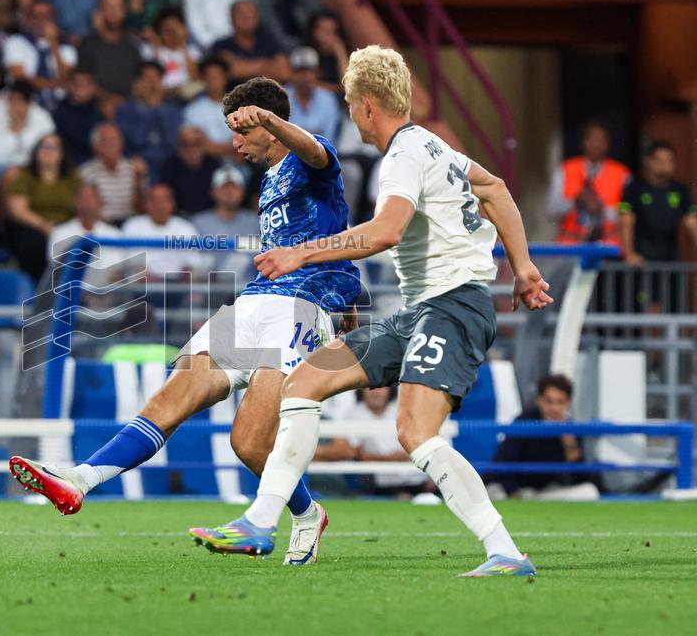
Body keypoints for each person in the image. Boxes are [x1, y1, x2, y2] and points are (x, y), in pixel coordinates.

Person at [189, 46, 553, 576]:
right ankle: (259, 522)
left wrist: (301, 253)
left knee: (415, 432)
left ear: (365, 105)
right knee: (305, 382)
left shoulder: (403, 155)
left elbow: (386, 232)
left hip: (453, 307)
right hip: (421, 311)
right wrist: (522, 267)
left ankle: (505, 552)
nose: (349, 115)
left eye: (348, 103)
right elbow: (494, 189)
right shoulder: (434, 145)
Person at [8, 76, 361, 568]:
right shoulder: (268, 179)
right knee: (171, 396)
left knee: (248, 441)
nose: (234, 143)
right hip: (254, 301)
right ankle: (81, 479)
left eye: (241, 131)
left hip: (302, 307)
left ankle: (305, 515)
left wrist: (270, 119)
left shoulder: (310, 158)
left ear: (266, 123)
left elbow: (319, 155)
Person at [485, 374, 590, 496]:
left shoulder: (571, 430)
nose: (554, 408)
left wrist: (570, 445)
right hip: (516, 490)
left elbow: (581, 479)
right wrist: (514, 492)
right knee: (495, 492)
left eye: (560, 402)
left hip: (545, 493)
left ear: (568, 403)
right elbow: (502, 465)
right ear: (539, 401)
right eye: (549, 401)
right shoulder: (525, 423)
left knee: (589, 491)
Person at [314, 386, 428, 496]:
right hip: (381, 484)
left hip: (417, 479)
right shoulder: (353, 416)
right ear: (361, 390)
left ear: (390, 389)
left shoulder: (403, 411)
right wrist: (391, 459)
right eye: (370, 387)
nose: (376, 392)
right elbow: (355, 453)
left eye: (382, 387)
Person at [1, 134, 81, 281]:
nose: (48, 151)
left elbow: (82, 203)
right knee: (34, 242)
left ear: (62, 154)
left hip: (66, 227)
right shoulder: (26, 175)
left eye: (53, 147)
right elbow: (17, 210)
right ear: (36, 152)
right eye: (44, 147)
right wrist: (43, 225)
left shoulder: (72, 177)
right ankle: (38, 286)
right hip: (33, 227)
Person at [549, 120, 630, 244]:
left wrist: (603, 210)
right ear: (584, 142)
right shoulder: (565, 170)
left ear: (608, 143)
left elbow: (627, 209)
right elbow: (551, 208)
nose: (596, 145)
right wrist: (575, 202)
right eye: (592, 140)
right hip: (570, 246)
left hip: (608, 247)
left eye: (601, 140)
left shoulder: (622, 174)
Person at [619, 141, 697, 266]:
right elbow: (626, 221)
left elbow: (692, 223)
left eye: (669, 161)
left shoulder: (681, 190)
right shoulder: (634, 189)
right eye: (660, 160)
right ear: (648, 161)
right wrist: (629, 254)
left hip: (671, 260)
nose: (665, 165)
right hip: (642, 262)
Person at [2, 0, 77, 111]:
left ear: (53, 19)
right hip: (24, 103)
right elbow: (21, 79)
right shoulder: (15, 42)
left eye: (46, 16)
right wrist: (57, 84)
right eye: (36, 16)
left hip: (60, 105)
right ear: (28, 18)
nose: (41, 20)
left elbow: (66, 77)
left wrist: (53, 44)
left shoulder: (66, 47)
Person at [120, 184, 208, 279]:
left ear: (173, 204)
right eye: (154, 200)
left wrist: (185, 276)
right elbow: (127, 260)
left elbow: (193, 261)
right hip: (142, 283)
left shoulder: (185, 227)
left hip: (178, 283)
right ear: (146, 204)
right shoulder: (133, 225)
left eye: (164, 200)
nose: (159, 205)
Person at [114, 62, 184, 176]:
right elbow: (136, 140)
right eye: (147, 79)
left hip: (168, 164)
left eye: (157, 79)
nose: (152, 84)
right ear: (136, 84)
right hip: (137, 164)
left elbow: (172, 141)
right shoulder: (125, 110)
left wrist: (158, 109)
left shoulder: (173, 110)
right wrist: (149, 110)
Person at [191, 164, 259, 278]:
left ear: (242, 192)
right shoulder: (198, 222)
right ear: (213, 192)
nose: (229, 192)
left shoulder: (255, 221)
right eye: (223, 188)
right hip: (210, 285)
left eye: (234, 188)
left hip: (249, 285)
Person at [76, 0, 143, 104]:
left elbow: (139, 81)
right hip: (95, 105)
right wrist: (110, 99)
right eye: (109, 7)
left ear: (124, 12)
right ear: (100, 11)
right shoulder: (87, 44)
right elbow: (82, 81)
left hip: (129, 105)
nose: (113, 12)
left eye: (118, 7)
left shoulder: (133, 44)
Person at [0, 80, 56, 174]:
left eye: (22, 101)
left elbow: (48, 150)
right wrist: (14, 128)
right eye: (13, 100)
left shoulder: (43, 117)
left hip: (33, 167)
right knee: (12, 173)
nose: (17, 106)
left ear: (30, 103)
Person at [78, 122, 147, 224]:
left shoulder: (134, 169)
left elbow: (142, 210)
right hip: (102, 225)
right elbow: (85, 209)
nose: (113, 144)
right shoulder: (86, 173)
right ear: (95, 146)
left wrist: (138, 181)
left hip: (130, 224)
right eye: (107, 141)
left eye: (116, 140)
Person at [210, 0, 290, 85]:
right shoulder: (221, 46)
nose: (247, 18)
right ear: (231, 18)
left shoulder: (270, 43)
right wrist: (268, 65)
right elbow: (231, 71)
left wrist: (243, 66)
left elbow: (284, 74)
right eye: (242, 15)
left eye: (252, 14)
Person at [157, 125, 221, 216]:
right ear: (178, 146)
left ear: (204, 145)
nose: (191, 149)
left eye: (196, 143)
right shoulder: (168, 167)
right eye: (185, 144)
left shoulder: (214, 165)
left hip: (210, 216)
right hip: (177, 217)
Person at [183, 0, 254, 51]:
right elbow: (195, 27)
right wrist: (216, 47)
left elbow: (251, 23)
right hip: (205, 48)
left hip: (239, 47)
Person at [140, 8, 200, 96]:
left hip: (187, 94)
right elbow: (150, 76)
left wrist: (183, 44)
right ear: (159, 31)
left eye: (175, 28)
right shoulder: (149, 50)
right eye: (167, 29)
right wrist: (156, 46)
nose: (172, 32)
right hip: (162, 94)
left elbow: (195, 77)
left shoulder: (192, 51)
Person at [257, 0, 322, 52]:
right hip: (279, 44)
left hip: (307, 38)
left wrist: (313, 39)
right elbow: (270, 25)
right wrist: (294, 45)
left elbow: (316, 13)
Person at [286, 46, 340, 143]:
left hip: (321, 152)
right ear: (292, 73)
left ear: (317, 72)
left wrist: (295, 134)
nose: (305, 76)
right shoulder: (281, 96)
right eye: (300, 71)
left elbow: (328, 139)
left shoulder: (328, 99)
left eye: (309, 71)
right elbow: (280, 138)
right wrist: (313, 133)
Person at [183, 57, 234, 158]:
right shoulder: (192, 110)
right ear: (203, 79)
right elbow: (198, 145)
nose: (213, 79)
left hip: (239, 162)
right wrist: (231, 150)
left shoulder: (239, 107)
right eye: (209, 76)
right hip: (207, 162)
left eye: (217, 75)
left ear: (226, 77)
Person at [54, 68, 104, 165]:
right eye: (77, 84)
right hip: (69, 163)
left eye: (86, 84)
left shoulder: (98, 111)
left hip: (95, 163)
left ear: (93, 88)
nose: (81, 88)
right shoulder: (60, 111)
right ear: (69, 86)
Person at [303, 10, 349, 95]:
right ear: (313, 32)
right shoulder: (304, 52)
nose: (329, 36)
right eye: (324, 31)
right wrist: (338, 89)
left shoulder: (340, 56)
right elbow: (307, 84)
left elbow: (348, 87)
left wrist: (341, 54)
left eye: (333, 31)